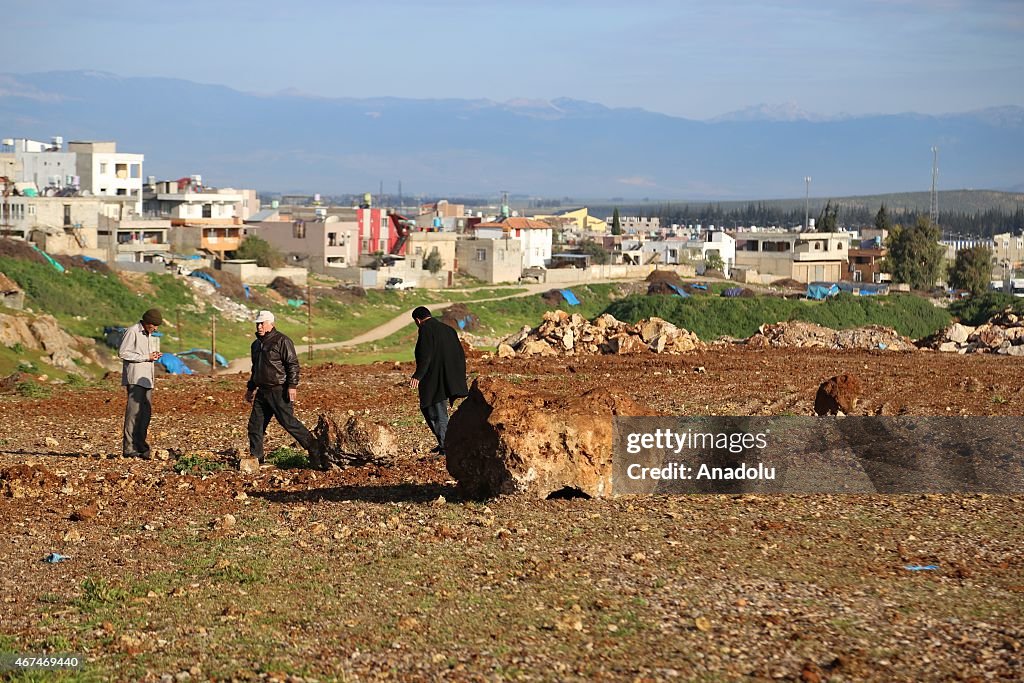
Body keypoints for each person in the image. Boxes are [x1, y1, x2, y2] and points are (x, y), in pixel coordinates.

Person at [244, 310, 324, 468]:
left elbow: (292, 364)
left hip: (279, 390)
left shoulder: (282, 341)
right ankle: (256, 458)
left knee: (288, 422)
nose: (259, 326)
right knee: (255, 425)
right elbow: (256, 369)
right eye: (257, 323)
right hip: (262, 391)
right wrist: (250, 388)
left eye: (262, 323)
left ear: (271, 324)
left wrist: (292, 386)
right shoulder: (256, 345)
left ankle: (313, 447)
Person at [409, 306, 469, 457]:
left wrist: (418, 375)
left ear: (417, 320)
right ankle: (444, 443)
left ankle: (446, 447)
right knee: (436, 409)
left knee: (433, 410)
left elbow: (426, 355)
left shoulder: (425, 329)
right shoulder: (448, 330)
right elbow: (459, 354)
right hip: (449, 376)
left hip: (434, 378)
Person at [119, 308, 164, 459]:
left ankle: (141, 446)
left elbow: (146, 355)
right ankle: (129, 448)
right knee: (133, 414)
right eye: (154, 325)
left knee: (145, 414)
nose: (156, 328)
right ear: (146, 322)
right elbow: (123, 353)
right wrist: (146, 357)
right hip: (135, 378)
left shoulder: (149, 334)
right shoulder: (132, 331)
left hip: (147, 379)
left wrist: (153, 356)